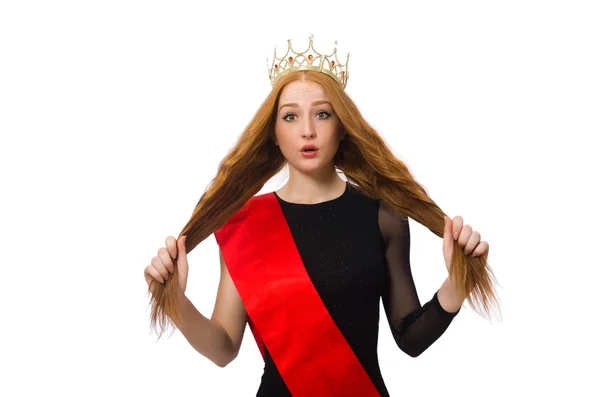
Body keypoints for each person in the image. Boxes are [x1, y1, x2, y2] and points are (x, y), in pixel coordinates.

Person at [143, 36, 498, 396]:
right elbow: (223, 349)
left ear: (342, 127)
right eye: (291, 116)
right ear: (274, 134)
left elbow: (410, 338)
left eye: (323, 113)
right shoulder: (244, 225)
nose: (307, 130)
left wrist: (456, 286)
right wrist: (173, 300)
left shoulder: (384, 215)